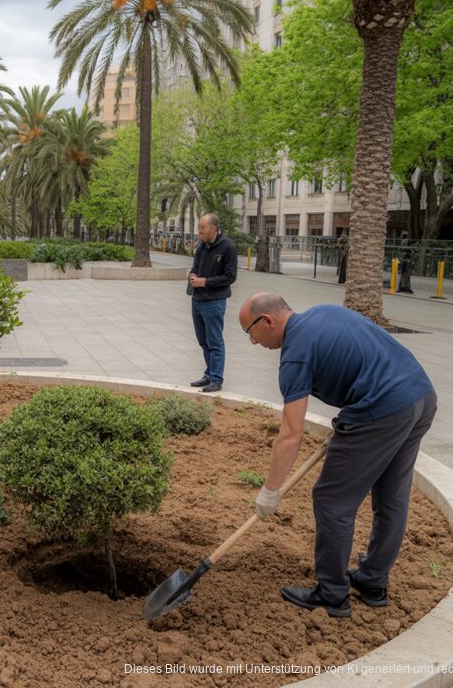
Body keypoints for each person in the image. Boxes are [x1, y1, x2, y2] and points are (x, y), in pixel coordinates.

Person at [238, 292, 437, 618]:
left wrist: (269, 491)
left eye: (250, 332)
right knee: (391, 496)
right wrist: (350, 422)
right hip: (421, 396)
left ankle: (332, 594)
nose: (253, 342)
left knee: (331, 498)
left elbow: (290, 434)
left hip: (383, 407)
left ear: (268, 321)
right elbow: (363, 363)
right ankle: (372, 582)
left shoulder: (295, 356)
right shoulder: (322, 312)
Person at [187, 213, 238, 393]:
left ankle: (216, 378)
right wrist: (193, 275)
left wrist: (205, 282)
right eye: (199, 227)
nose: (199, 231)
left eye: (203, 227)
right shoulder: (202, 246)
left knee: (215, 342)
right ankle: (209, 374)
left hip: (214, 301)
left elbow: (230, 277)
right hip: (197, 300)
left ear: (214, 228)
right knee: (203, 341)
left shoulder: (228, 247)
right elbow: (195, 266)